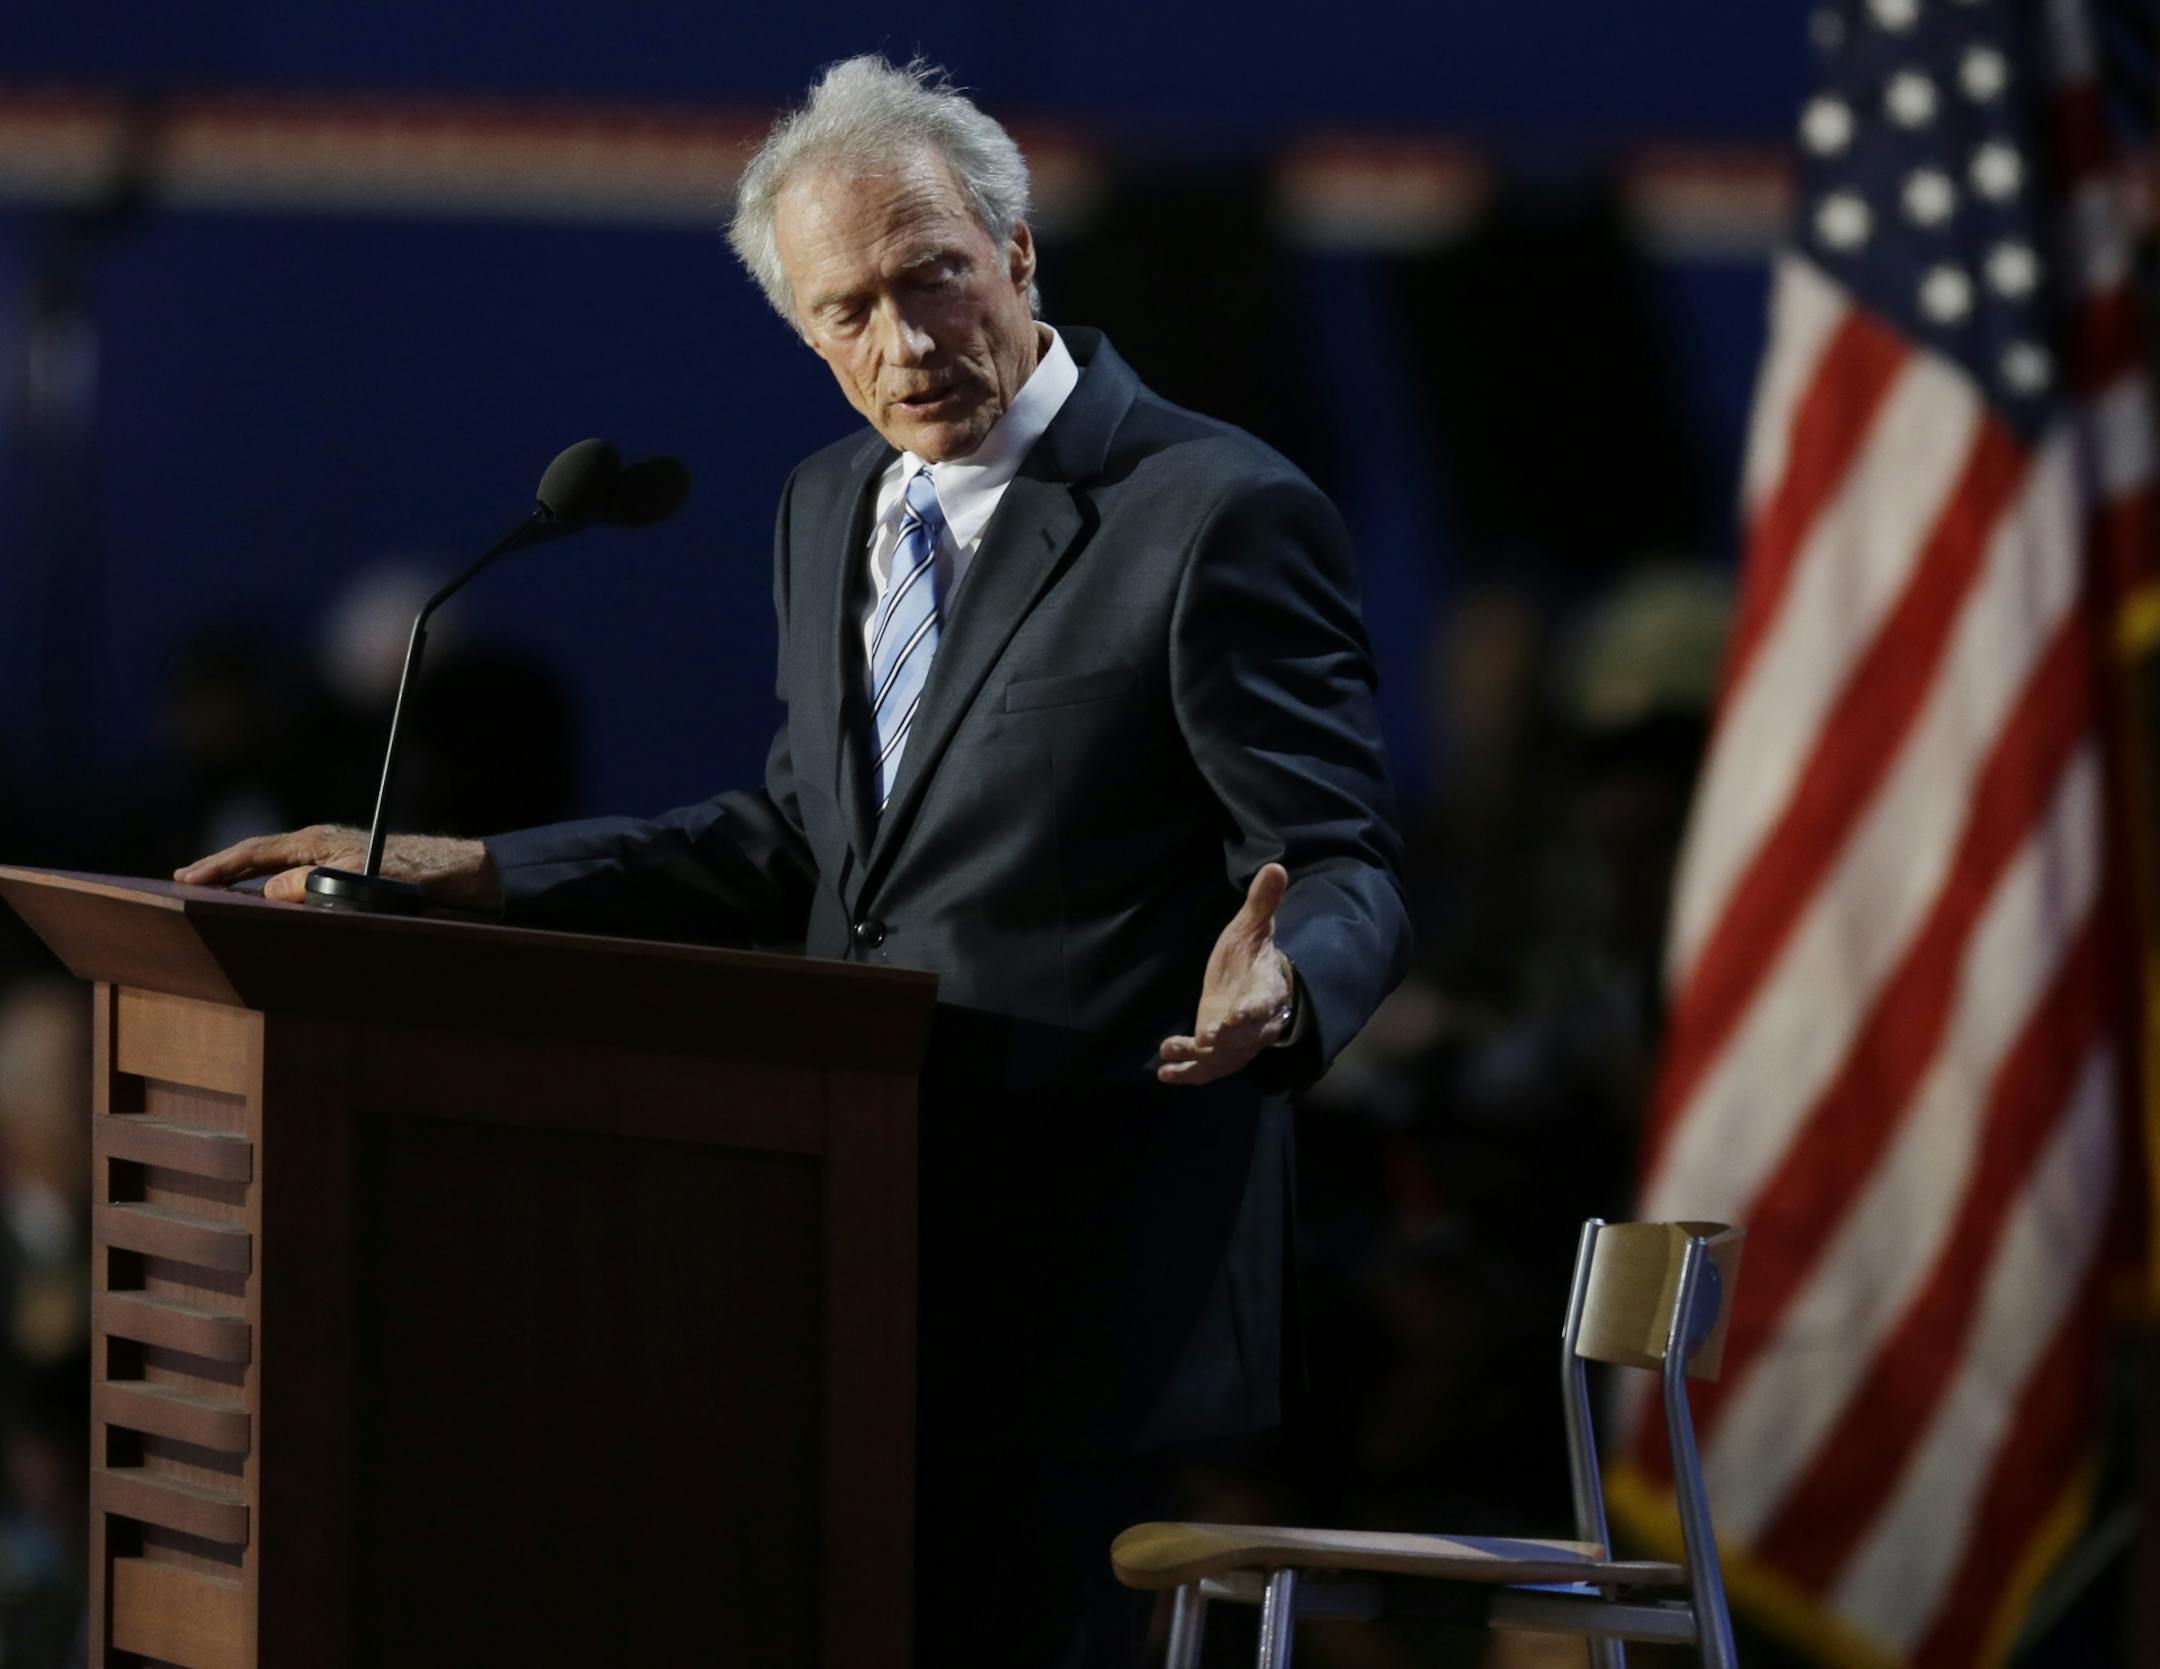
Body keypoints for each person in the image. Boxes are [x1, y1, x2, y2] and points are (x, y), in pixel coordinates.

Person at [178, 54, 1412, 1668]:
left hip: (1092, 1248)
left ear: (1019, 253)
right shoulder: (825, 506)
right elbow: (791, 841)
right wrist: (477, 872)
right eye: (846, 313)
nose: (903, 345)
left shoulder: (1212, 509)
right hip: (841, 1226)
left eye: (936, 281)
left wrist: (1290, 989)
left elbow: (1339, 861)